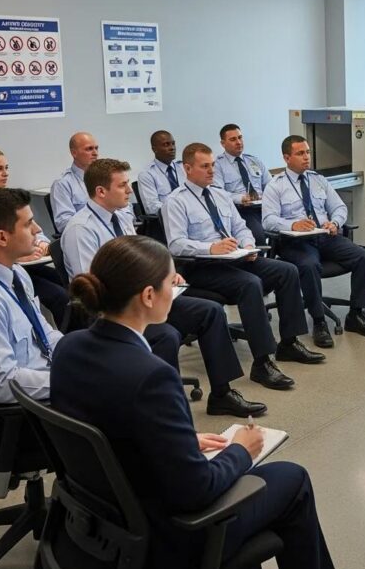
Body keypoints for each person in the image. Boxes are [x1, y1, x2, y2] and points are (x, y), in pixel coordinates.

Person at [51, 235, 339, 569]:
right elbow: (196, 492)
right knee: (289, 479)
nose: (179, 288)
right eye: (174, 282)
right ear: (148, 296)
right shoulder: (151, 375)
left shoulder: (68, 349)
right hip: (164, 543)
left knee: (233, 472)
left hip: (97, 527)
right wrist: (241, 451)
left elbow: (111, 430)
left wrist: (182, 441)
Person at [61, 158, 268, 417]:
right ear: (101, 191)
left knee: (211, 311)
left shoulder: (122, 217)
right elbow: (93, 283)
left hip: (142, 298)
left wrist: (162, 277)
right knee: (167, 335)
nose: (129, 191)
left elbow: (136, 260)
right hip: (115, 311)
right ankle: (165, 408)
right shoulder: (81, 229)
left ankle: (222, 394)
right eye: (123, 185)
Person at [163, 143, 324, 389]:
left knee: (286, 270)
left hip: (235, 259)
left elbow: (240, 227)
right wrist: (210, 248)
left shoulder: (220, 194)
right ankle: (262, 363)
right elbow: (175, 244)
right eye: (204, 166)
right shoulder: (176, 201)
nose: (211, 171)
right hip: (202, 268)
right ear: (187, 168)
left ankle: (289, 343)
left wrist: (248, 245)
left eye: (213, 165)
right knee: (251, 284)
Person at [0, 188, 58, 471]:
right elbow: (3, 385)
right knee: (115, 410)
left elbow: (45, 333)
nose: (38, 229)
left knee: (116, 386)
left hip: (40, 394)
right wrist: (68, 379)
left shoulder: (15, 273)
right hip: (12, 419)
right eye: (28, 223)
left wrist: (80, 357)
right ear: (2, 238)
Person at [262, 135, 365, 348]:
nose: (306, 157)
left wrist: (334, 222)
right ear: (286, 157)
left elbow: (339, 207)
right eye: (300, 153)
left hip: (325, 236)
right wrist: (292, 225)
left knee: (363, 257)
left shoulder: (318, 180)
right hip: (296, 243)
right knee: (309, 265)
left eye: (308, 152)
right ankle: (318, 321)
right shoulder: (275, 185)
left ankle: (356, 314)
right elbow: (268, 220)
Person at [0, 147, 68, 328]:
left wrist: (43, 243)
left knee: (67, 281)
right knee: (58, 296)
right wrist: (18, 257)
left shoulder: (10, 199)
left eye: (6, 168)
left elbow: (34, 229)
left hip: (24, 266)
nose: (5, 174)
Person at [214, 124, 272, 245]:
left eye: (240, 138)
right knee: (258, 236)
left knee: (283, 231)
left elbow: (271, 186)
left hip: (264, 207)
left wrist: (268, 196)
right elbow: (218, 193)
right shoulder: (218, 165)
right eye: (233, 139)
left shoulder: (254, 160)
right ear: (223, 143)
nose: (238, 142)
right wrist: (240, 198)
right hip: (241, 210)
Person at [137, 129, 186, 215]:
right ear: (154, 149)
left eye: (173, 144)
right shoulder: (147, 174)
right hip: (167, 220)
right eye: (166, 144)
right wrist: (179, 210)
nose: (172, 148)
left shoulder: (184, 167)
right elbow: (152, 208)